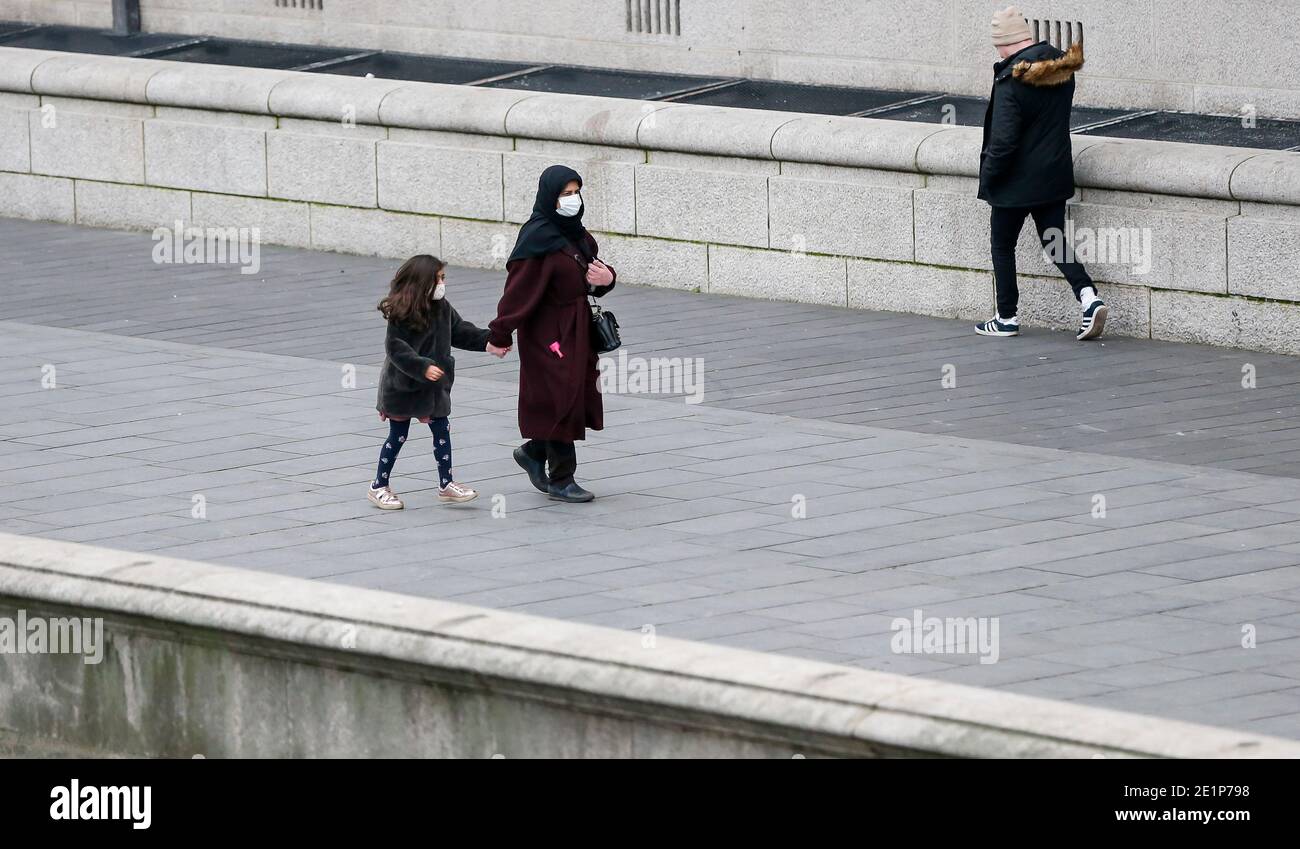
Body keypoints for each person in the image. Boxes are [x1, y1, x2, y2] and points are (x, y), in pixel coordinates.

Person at [975, 5, 1108, 341]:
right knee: (1054, 240)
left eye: (998, 46)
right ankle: (1089, 298)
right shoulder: (1061, 69)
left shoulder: (1011, 81)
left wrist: (988, 176)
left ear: (1004, 44)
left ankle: (1006, 317)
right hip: (1053, 174)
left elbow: (1003, 142)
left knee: (1002, 245)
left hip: (1015, 183)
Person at [488, 164, 616, 503]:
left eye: (576, 193)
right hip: (547, 334)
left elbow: (593, 274)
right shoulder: (537, 239)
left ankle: (533, 451)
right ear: (550, 197)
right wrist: (500, 334)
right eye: (565, 194)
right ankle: (561, 479)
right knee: (561, 398)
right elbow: (517, 293)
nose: (573, 199)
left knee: (574, 395)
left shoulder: (577, 234)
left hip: (577, 329)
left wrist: (608, 279)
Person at [368, 254, 509, 509]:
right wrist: (423, 367)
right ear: (423, 282)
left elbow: (460, 331)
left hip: (433, 388)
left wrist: (489, 342)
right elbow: (395, 348)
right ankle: (379, 485)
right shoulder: (403, 312)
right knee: (398, 435)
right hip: (402, 386)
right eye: (440, 278)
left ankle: (446, 484)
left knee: (441, 430)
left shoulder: (442, 307)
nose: (443, 284)